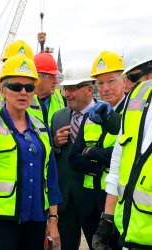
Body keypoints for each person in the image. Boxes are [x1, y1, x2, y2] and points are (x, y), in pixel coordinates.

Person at [0, 54, 62, 250]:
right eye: (16, 87)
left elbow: (51, 177)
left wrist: (53, 220)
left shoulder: (41, 128)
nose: (23, 92)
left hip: (35, 219)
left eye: (29, 87)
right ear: (3, 90)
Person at [91, 39, 152, 249]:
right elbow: (117, 166)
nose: (128, 85)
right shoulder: (133, 114)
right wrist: (107, 220)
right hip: (131, 232)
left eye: (133, 78)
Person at [69, 51, 126, 250]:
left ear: (124, 81)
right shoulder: (91, 115)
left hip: (118, 202)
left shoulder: (133, 113)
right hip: (90, 201)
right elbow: (74, 158)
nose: (105, 88)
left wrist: (92, 153)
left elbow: (125, 155)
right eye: (100, 83)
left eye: (111, 81)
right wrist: (103, 159)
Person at [51, 60, 96, 250]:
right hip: (66, 200)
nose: (67, 93)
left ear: (88, 89)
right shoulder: (58, 117)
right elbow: (51, 159)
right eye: (65, 88)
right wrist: (55, 145)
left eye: (72, 88)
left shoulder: (103, 116)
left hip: (92, 199)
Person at [33, 52, 66, 126]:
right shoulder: (22, 102)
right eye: (51, 77)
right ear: (37, 78)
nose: (56, 81)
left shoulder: (63, 100)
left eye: (55, 76)